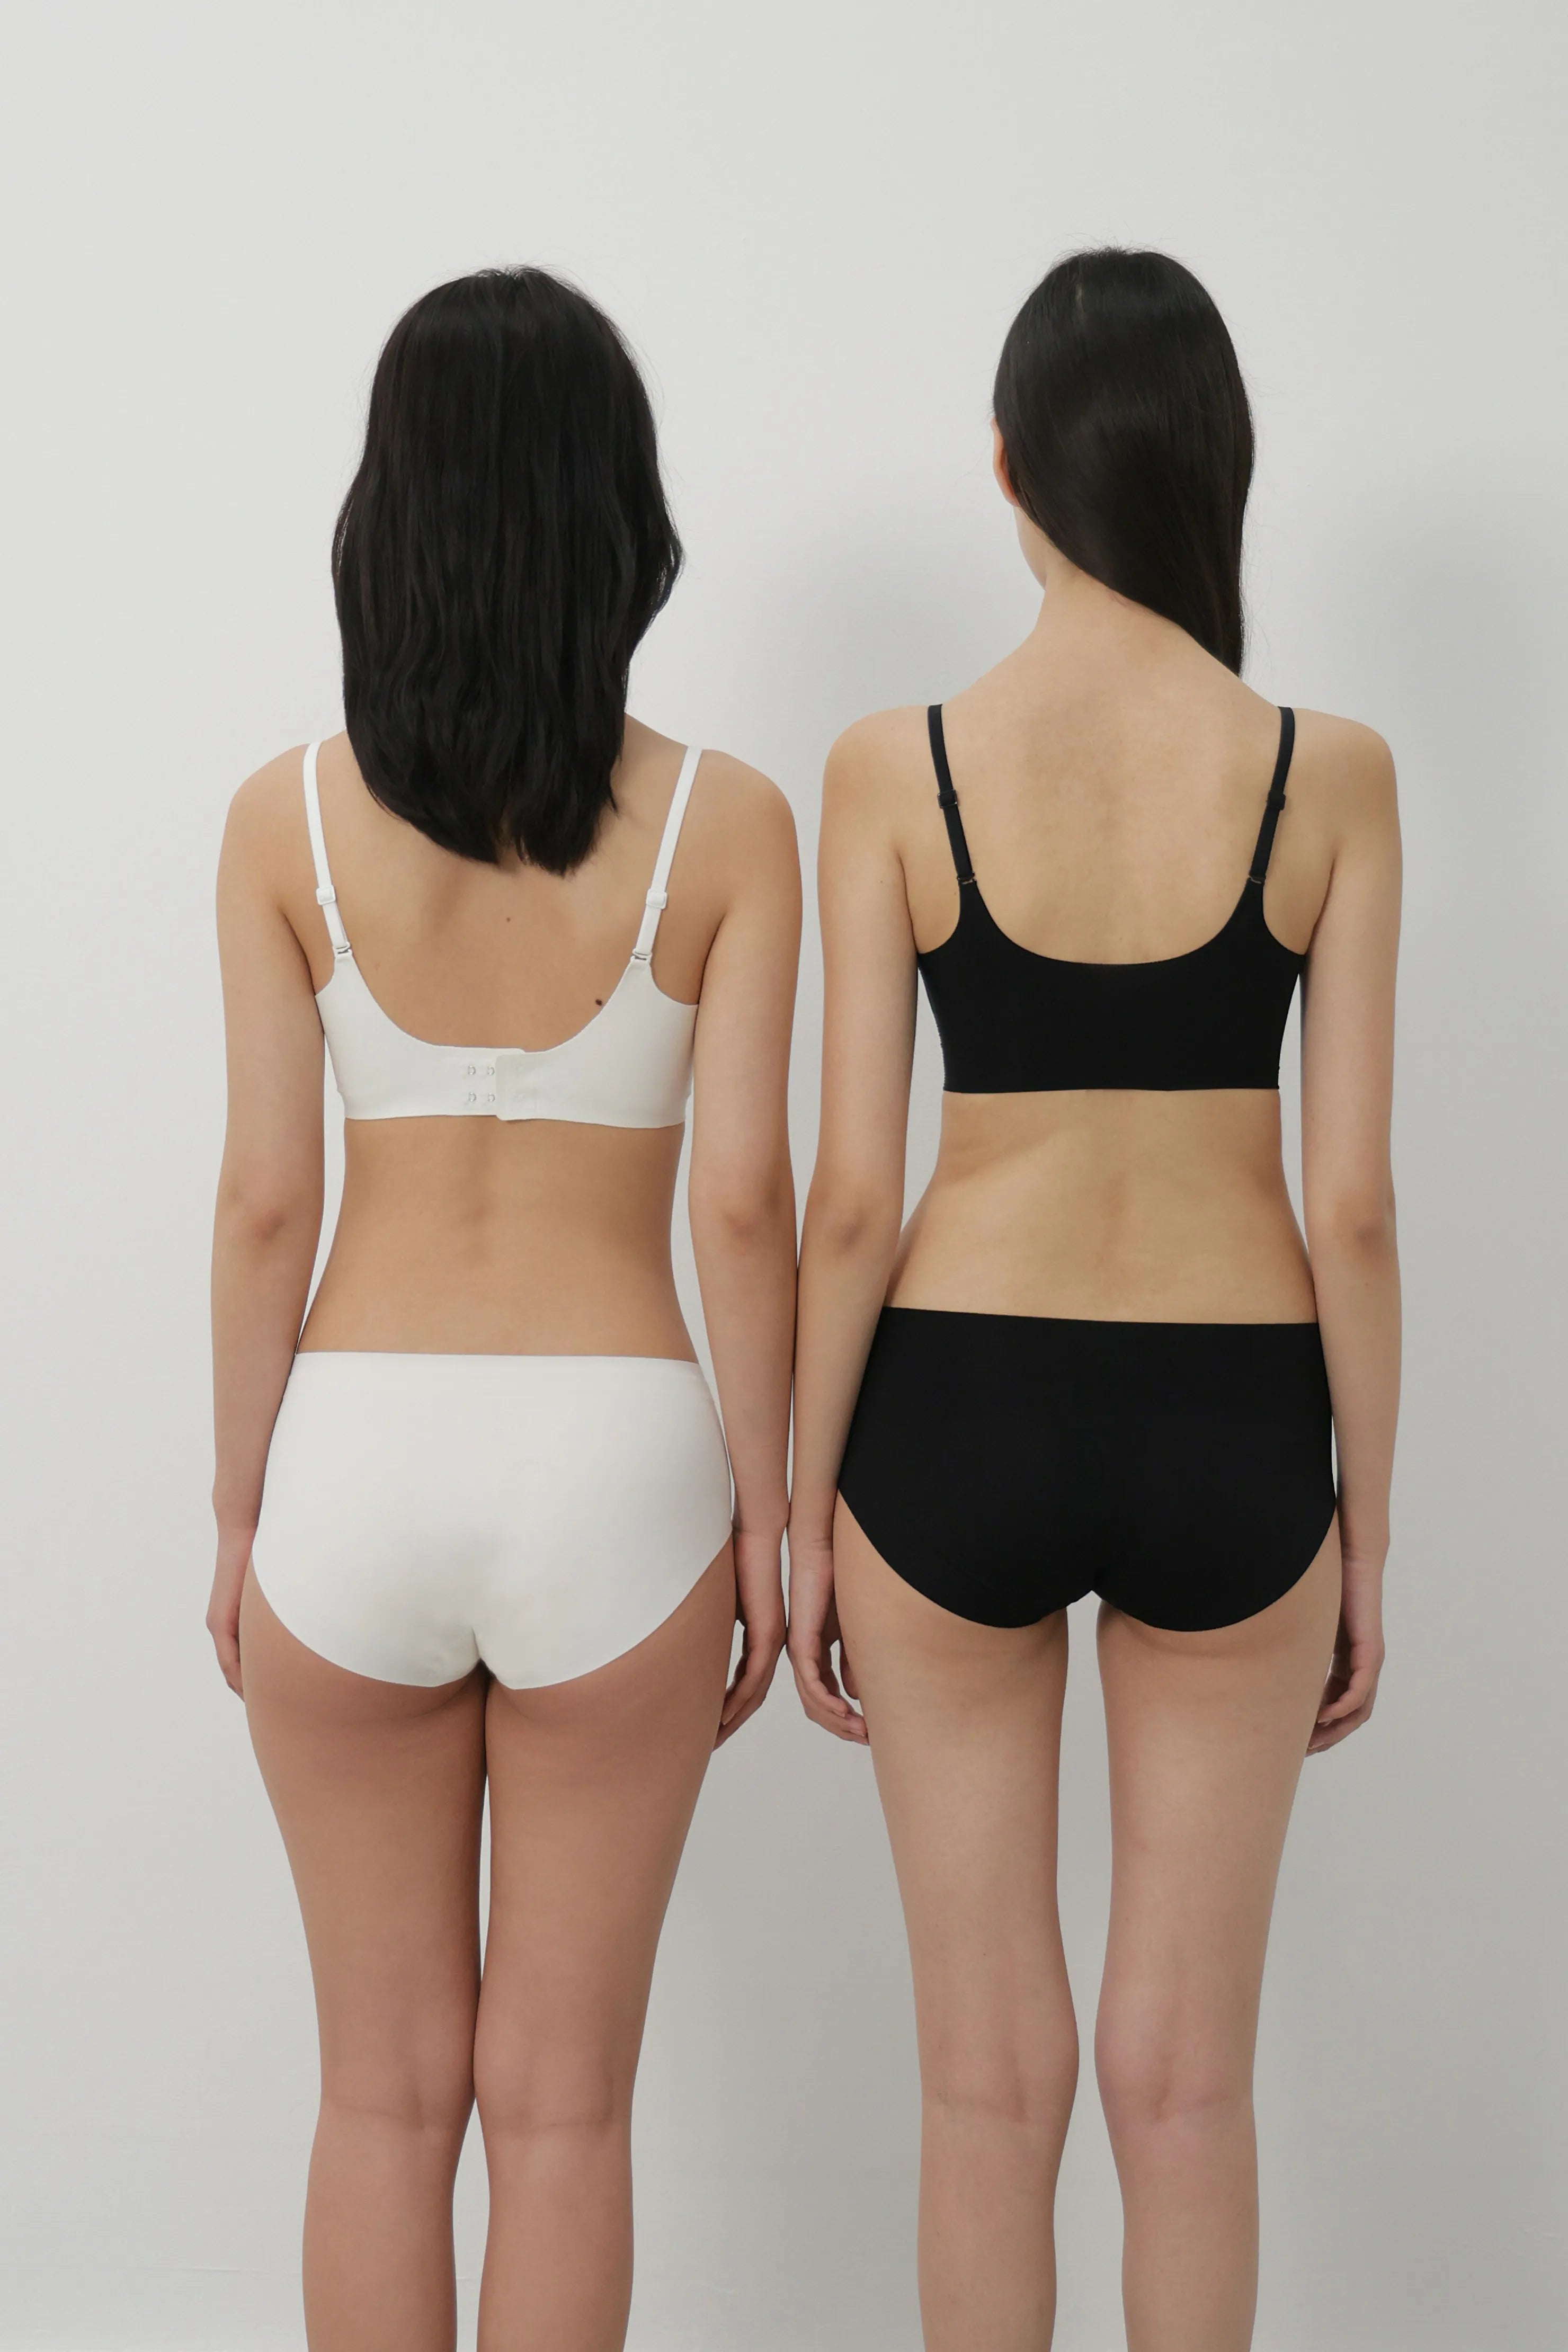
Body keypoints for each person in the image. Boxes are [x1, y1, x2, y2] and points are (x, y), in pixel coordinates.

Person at [788, 248, 1400, 2351]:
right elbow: (1351, 1208)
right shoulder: (1327, 770)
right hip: (1237, 1424)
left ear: (1008, 468)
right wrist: (1367, 1531)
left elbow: (848, 1201)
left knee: (985, 2087)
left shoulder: (895, 766)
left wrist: (801, 1517)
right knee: (1185, 2089)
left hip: (953, 1413)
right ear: (1215, 467)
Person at [208, 267, 799, 2352]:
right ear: (616, 517)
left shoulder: (282, 822)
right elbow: (745, 1202)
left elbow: (267, 1200)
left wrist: (237, 1513)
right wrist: (773, 1515)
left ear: (389, 514)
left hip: (350, 1465)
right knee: (562, 2112)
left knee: (379, 2102)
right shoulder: (726, 824)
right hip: (618, 1471)